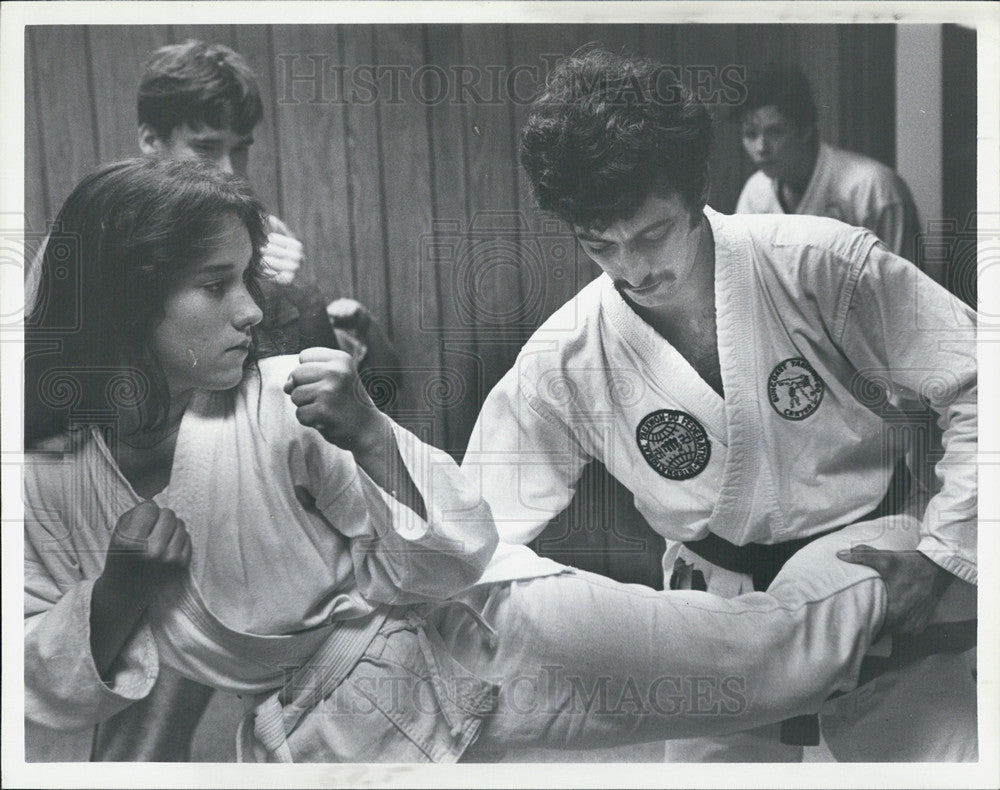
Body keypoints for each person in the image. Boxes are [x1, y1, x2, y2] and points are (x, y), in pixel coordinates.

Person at [24, 157, 932, 764]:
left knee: (754, 652)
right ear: (127, 297)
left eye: (247, 280)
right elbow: (33, 687)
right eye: (216, 286)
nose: (254, 311)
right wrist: (112, 594)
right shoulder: (46, 474)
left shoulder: (278, 400)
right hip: (323, 729)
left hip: (487, 627)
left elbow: (456, 551)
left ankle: (920, 590)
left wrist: (374, 437)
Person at [464, 48, 976, 761]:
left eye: (650, 234)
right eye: (598, 245)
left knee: (949, 764)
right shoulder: (566, 357)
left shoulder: (818, 265)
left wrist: (949, 552)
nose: (633, 268)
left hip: (872, 561)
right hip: (716, 609)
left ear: (695, 193)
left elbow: (981, 377)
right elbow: (476, 527)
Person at [735, 64, 921, 263]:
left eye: (776, 132)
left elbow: (901, 289)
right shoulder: (756, 192)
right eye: (750, 134)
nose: (761, 147)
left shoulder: (874, 190)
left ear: (806, 129)